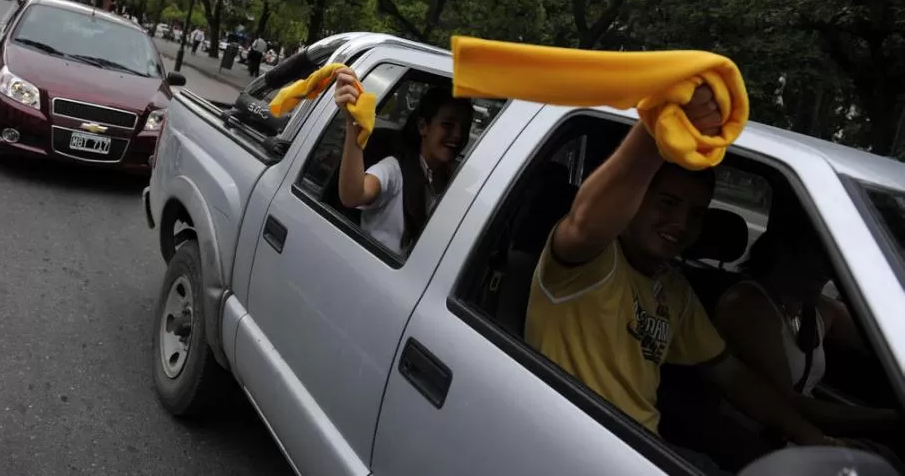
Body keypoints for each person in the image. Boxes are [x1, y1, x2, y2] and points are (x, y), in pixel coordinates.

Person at [524, 84, 843, 469]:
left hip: (642, 447)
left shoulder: (673, 290)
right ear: (635, 198)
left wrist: (813, 437)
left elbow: (734, 377)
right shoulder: (587, 261)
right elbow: (587, 221)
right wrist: (658, 121)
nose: (680, 223)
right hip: (574, 449)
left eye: (695, 213)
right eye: (667, 203)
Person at [714, 225, 902, 445]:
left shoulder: (819, 307)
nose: (827, 267)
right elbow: (788, 402)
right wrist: (888, 418)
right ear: (785, 251)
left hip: (801, 433)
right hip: (753, 436)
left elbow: (889, 341)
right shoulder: (748, 305)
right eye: (818, 254)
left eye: (832, 256)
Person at [334, 67, 473, 256]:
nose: (457, 135)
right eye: (447, 125)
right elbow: (353, 195)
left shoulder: (453, 181)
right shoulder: (393, 170)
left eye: (464, 128)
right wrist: (355, 123)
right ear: (424, 127)